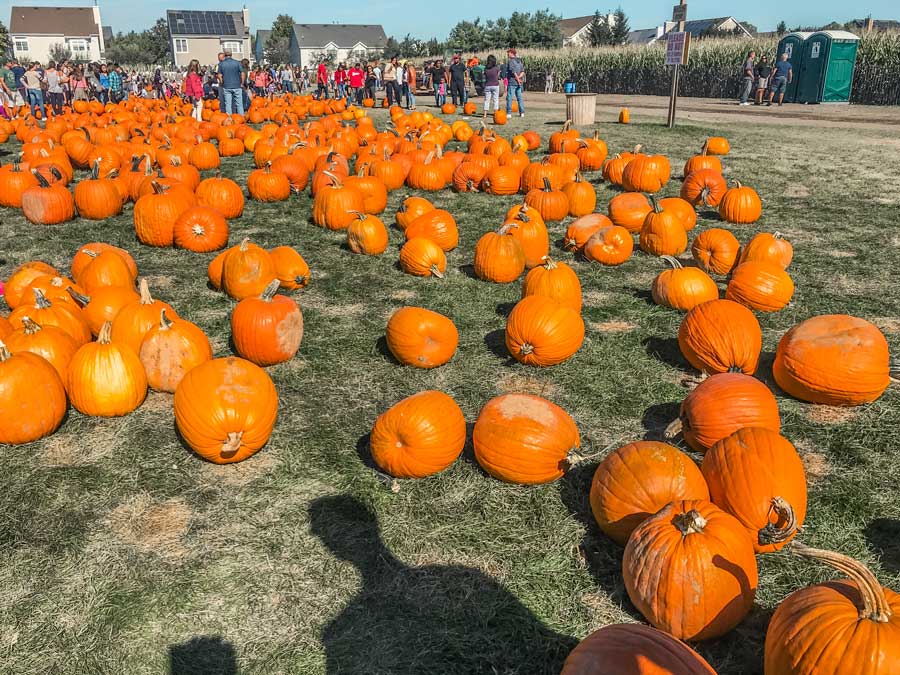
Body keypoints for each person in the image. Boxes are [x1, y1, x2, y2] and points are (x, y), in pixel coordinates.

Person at [218, 49, 244, 115]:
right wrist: (242, 83)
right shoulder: (237, 63)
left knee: (228, 104)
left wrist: (221, 82)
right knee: (239, 104)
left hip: (226, 86)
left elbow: (219, 75)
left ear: (224, 55)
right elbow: (242, 73)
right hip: (237, 85)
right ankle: (241, 117)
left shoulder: (221, 64)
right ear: (231, 54)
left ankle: (229, 118)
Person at [505, 48, 525, 117]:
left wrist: (517, 79)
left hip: (512, 82)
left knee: (509, 98)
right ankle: (522, 112)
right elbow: (522, 71)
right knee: (519, 98)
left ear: (512, 53)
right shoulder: (519, 61)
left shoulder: (511, 61)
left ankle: (509, 113)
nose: (507, 54)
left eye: (508, 53)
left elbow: (513, 72)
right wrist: (519, 78)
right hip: (518, 83)